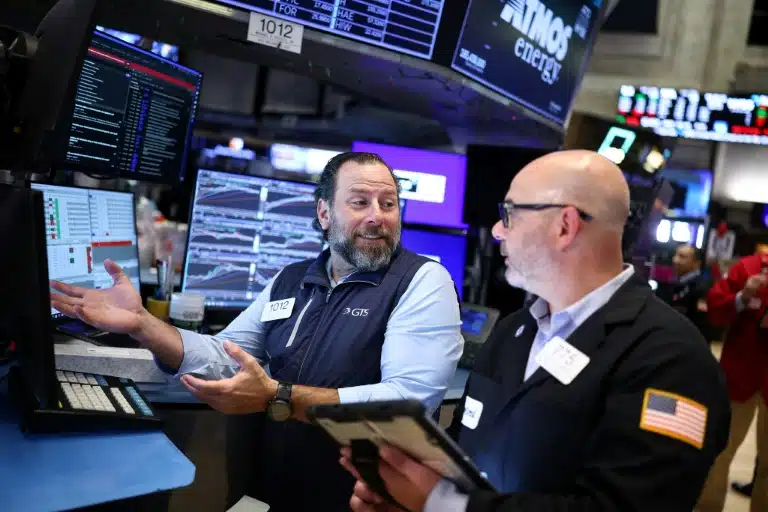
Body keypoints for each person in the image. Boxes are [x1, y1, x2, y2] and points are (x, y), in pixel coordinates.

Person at [50, 152, 464, 511]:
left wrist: (279, 396)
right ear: (324, 214)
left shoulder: (422, 281)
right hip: (272, 493)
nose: (377, 216)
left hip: (356, 501)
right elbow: (225, 355)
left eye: (388, 203)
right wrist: (142, 324)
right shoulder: (292, 279)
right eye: (360, 202)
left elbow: (406, 399)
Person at [340, 150, 731, 512]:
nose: (497, 230)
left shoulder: (671, 358)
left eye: (510, 213)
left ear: (565, 226)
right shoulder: (513, 331)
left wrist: (439, 503)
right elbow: (463, 458)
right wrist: (406, 499)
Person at [697, 252, 768, 512]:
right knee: (720, 451)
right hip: (739, 375)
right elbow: (715, 310)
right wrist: (743, 297)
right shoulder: (748, 267)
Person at [665, 244, 713, 341]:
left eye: (682, 257)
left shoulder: (702, 288)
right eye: (675, 255)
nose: (675, 260)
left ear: (697, 263)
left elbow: (701, 323)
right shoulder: (677, 284)